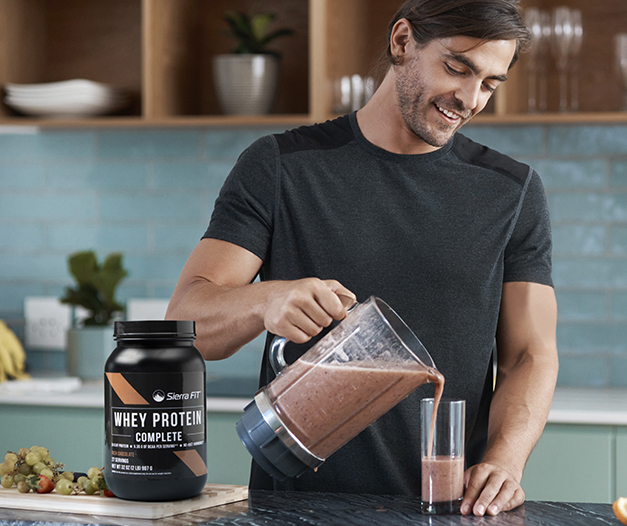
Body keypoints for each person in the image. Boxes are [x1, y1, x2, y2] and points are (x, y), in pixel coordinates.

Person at [166, 0, 558, 517]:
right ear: (401, 42)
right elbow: (184, 323)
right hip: (296, 508)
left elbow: (530, 355)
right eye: (457, 68)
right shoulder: (282, 166)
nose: (469, 98)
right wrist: (266, 300)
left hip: (449, 507)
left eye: (489, 84)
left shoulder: (511, 191)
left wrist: (506, 460)